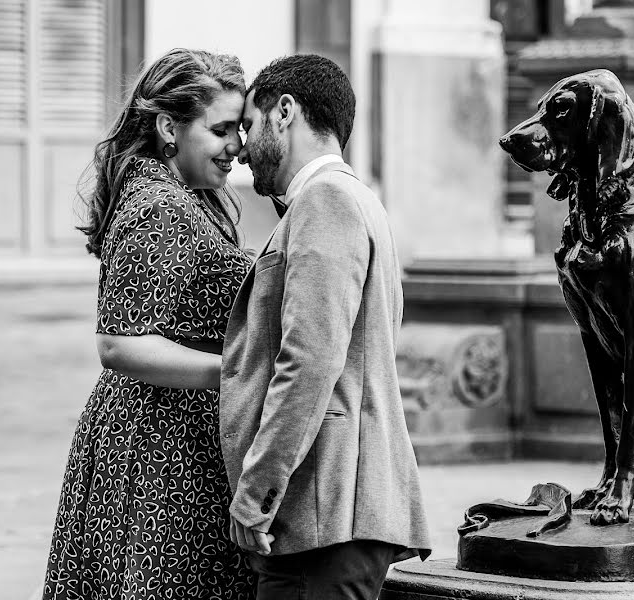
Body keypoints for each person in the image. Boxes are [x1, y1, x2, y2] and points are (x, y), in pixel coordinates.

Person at [43, 48, 255, 600]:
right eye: (222, 129)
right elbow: (118, 345)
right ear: (169, 126)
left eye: (241, 128)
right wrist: (241, 370)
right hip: (157, 452)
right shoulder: (157, 204)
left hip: (176, 441)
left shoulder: (193, 193)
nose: (238, 146)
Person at [220, 54, 432, 600]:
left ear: (285, 112)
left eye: (249, 124)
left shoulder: (326, 201)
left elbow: (309, 359)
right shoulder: (360, 201)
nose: (242, 147)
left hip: (327, 515)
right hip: (334, 516)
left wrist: (256, 492)